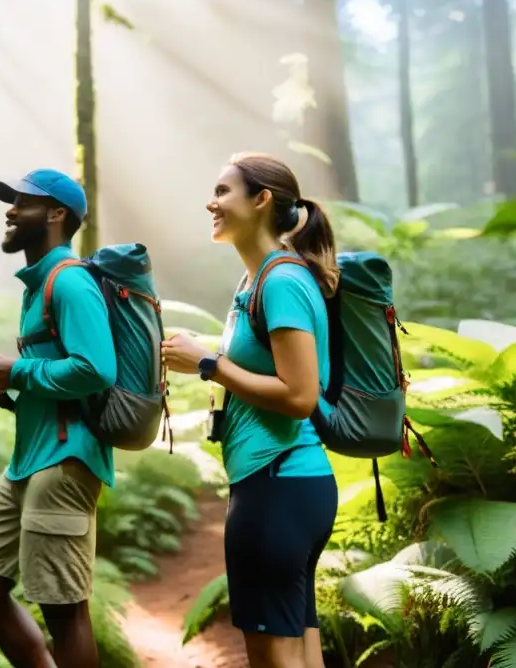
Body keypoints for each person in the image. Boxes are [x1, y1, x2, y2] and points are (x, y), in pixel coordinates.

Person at [160, 152, 339, 668]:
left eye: (223, 191)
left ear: (261, 200)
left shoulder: (279, 281)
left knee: (274, 658)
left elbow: (301, 395)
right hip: (283, 483)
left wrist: (209, 363)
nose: (210, 202)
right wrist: (204, 356)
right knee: (300, 651)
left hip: (277, 484)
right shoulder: (257, 281)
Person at [0, 169, 117, 668]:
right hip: (28, 461)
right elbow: (50, 377)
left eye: (21, 203)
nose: (9, 211)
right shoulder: (38, 286)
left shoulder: (70, 280)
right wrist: (5, 385)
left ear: (56, 214)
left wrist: (19, 371)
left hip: (66, 461)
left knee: (65, 612)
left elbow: (97, 368)